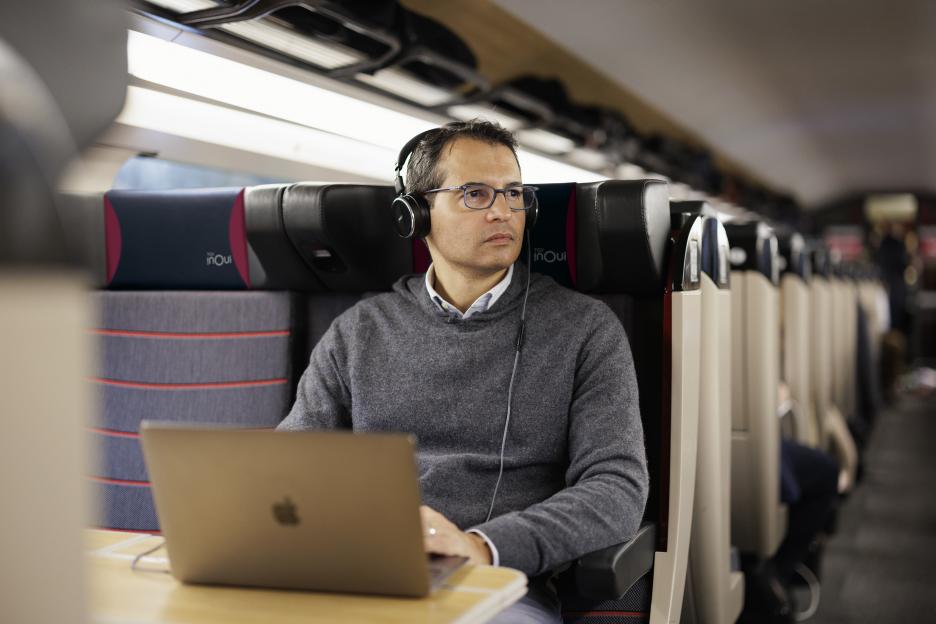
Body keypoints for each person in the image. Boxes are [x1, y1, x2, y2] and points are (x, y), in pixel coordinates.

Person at [278, 120, 649, 622]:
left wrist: (481, 546)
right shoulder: (359, 330)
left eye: (514, 193)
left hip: (498, 583)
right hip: (364, 570)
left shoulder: (585, 328)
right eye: (475, 194)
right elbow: (291, 462)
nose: (503, 211)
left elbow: (617, 488)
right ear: (415, 214)